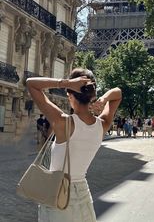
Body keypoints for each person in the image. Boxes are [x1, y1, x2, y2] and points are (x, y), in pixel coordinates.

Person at [26, 67, 122, 222]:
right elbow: (117, 93)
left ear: (70, 95)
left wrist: (65, 83)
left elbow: (31, 83)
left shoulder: (63, 122)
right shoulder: (102, 125)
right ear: (92, 95)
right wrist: (103, 99)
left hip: (58, 193)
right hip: (83, 192)